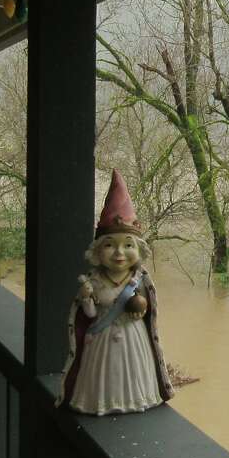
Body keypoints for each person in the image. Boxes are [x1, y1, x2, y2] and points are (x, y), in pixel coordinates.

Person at [58, 170, 174, 414]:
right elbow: (88, 315)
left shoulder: (140, 279)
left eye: (128, 245)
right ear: (98, 251)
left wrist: (140, 307)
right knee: (102, 377)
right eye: (110, 245)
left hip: (134, 337)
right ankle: (100, 402)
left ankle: (137, 399)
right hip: (101, 341)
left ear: (139, 250)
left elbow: (148, 310)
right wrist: (86, 297)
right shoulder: (95, 280)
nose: (120, 253)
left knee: (134, 373)